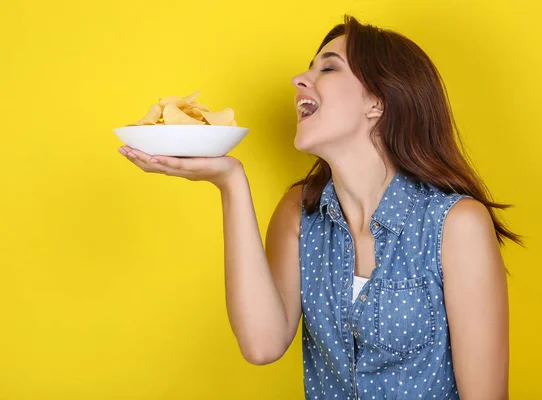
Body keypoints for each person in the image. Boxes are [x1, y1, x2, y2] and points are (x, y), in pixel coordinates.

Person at [118, 14, 521, 400]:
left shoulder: (455, 224)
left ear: (377, 102)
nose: (299, 80)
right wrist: (230, 183)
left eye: (328, 69)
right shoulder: (299, 214)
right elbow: (262, 344)